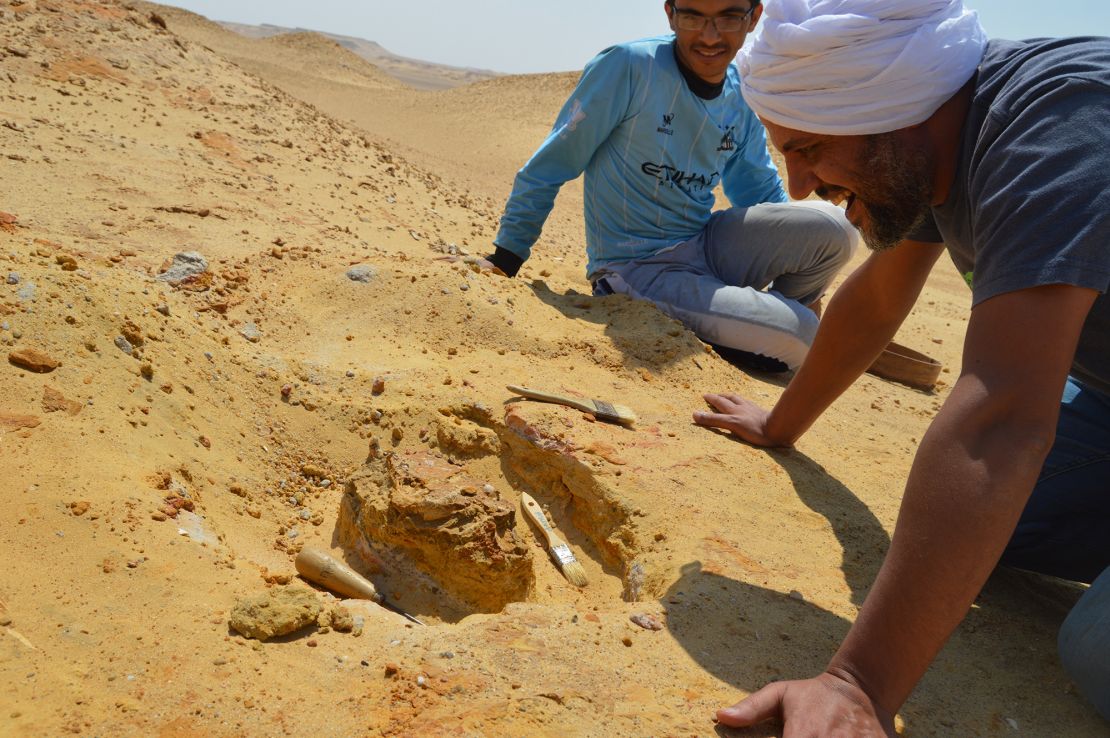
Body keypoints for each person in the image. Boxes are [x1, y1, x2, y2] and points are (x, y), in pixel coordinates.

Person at [691, 0, 1110, 732]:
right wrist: (781, 423)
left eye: (810, 148)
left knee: (1097, 648)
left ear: (893, 110)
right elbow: (878, 299)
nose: (796, 186)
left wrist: (858, 685)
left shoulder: (1061, 126)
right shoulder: (931, 137)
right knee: (980, 535)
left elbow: (1004, 416)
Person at [481, 0, 858, 371]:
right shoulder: (630, 66)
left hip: (706, 243)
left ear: (754, 17)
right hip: (638, 265)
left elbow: (759, 192)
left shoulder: (741, 87)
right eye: (693, 16)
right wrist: (506, 258)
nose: (709, 36)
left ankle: (756, 322)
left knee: (835, 228)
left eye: (728, 17)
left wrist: (797, 258)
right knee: (805, 334)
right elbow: (553, 163)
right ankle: (764, 328)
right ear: (671, 14)